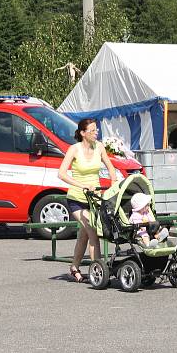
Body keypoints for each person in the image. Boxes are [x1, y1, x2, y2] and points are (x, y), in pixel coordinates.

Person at [59, 118, 119, 282]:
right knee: (93, 232)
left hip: (95, 197)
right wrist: (82, 185)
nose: (96, 133)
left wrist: (114, 182)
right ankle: (98, 271)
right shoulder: (74, 149)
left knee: (84, 236)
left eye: (96, 130)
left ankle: (74, 267)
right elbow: (62, 174)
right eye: (92, 131)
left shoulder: (99, 146)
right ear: (83, 133)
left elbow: (110, 166)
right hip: (77, 198)